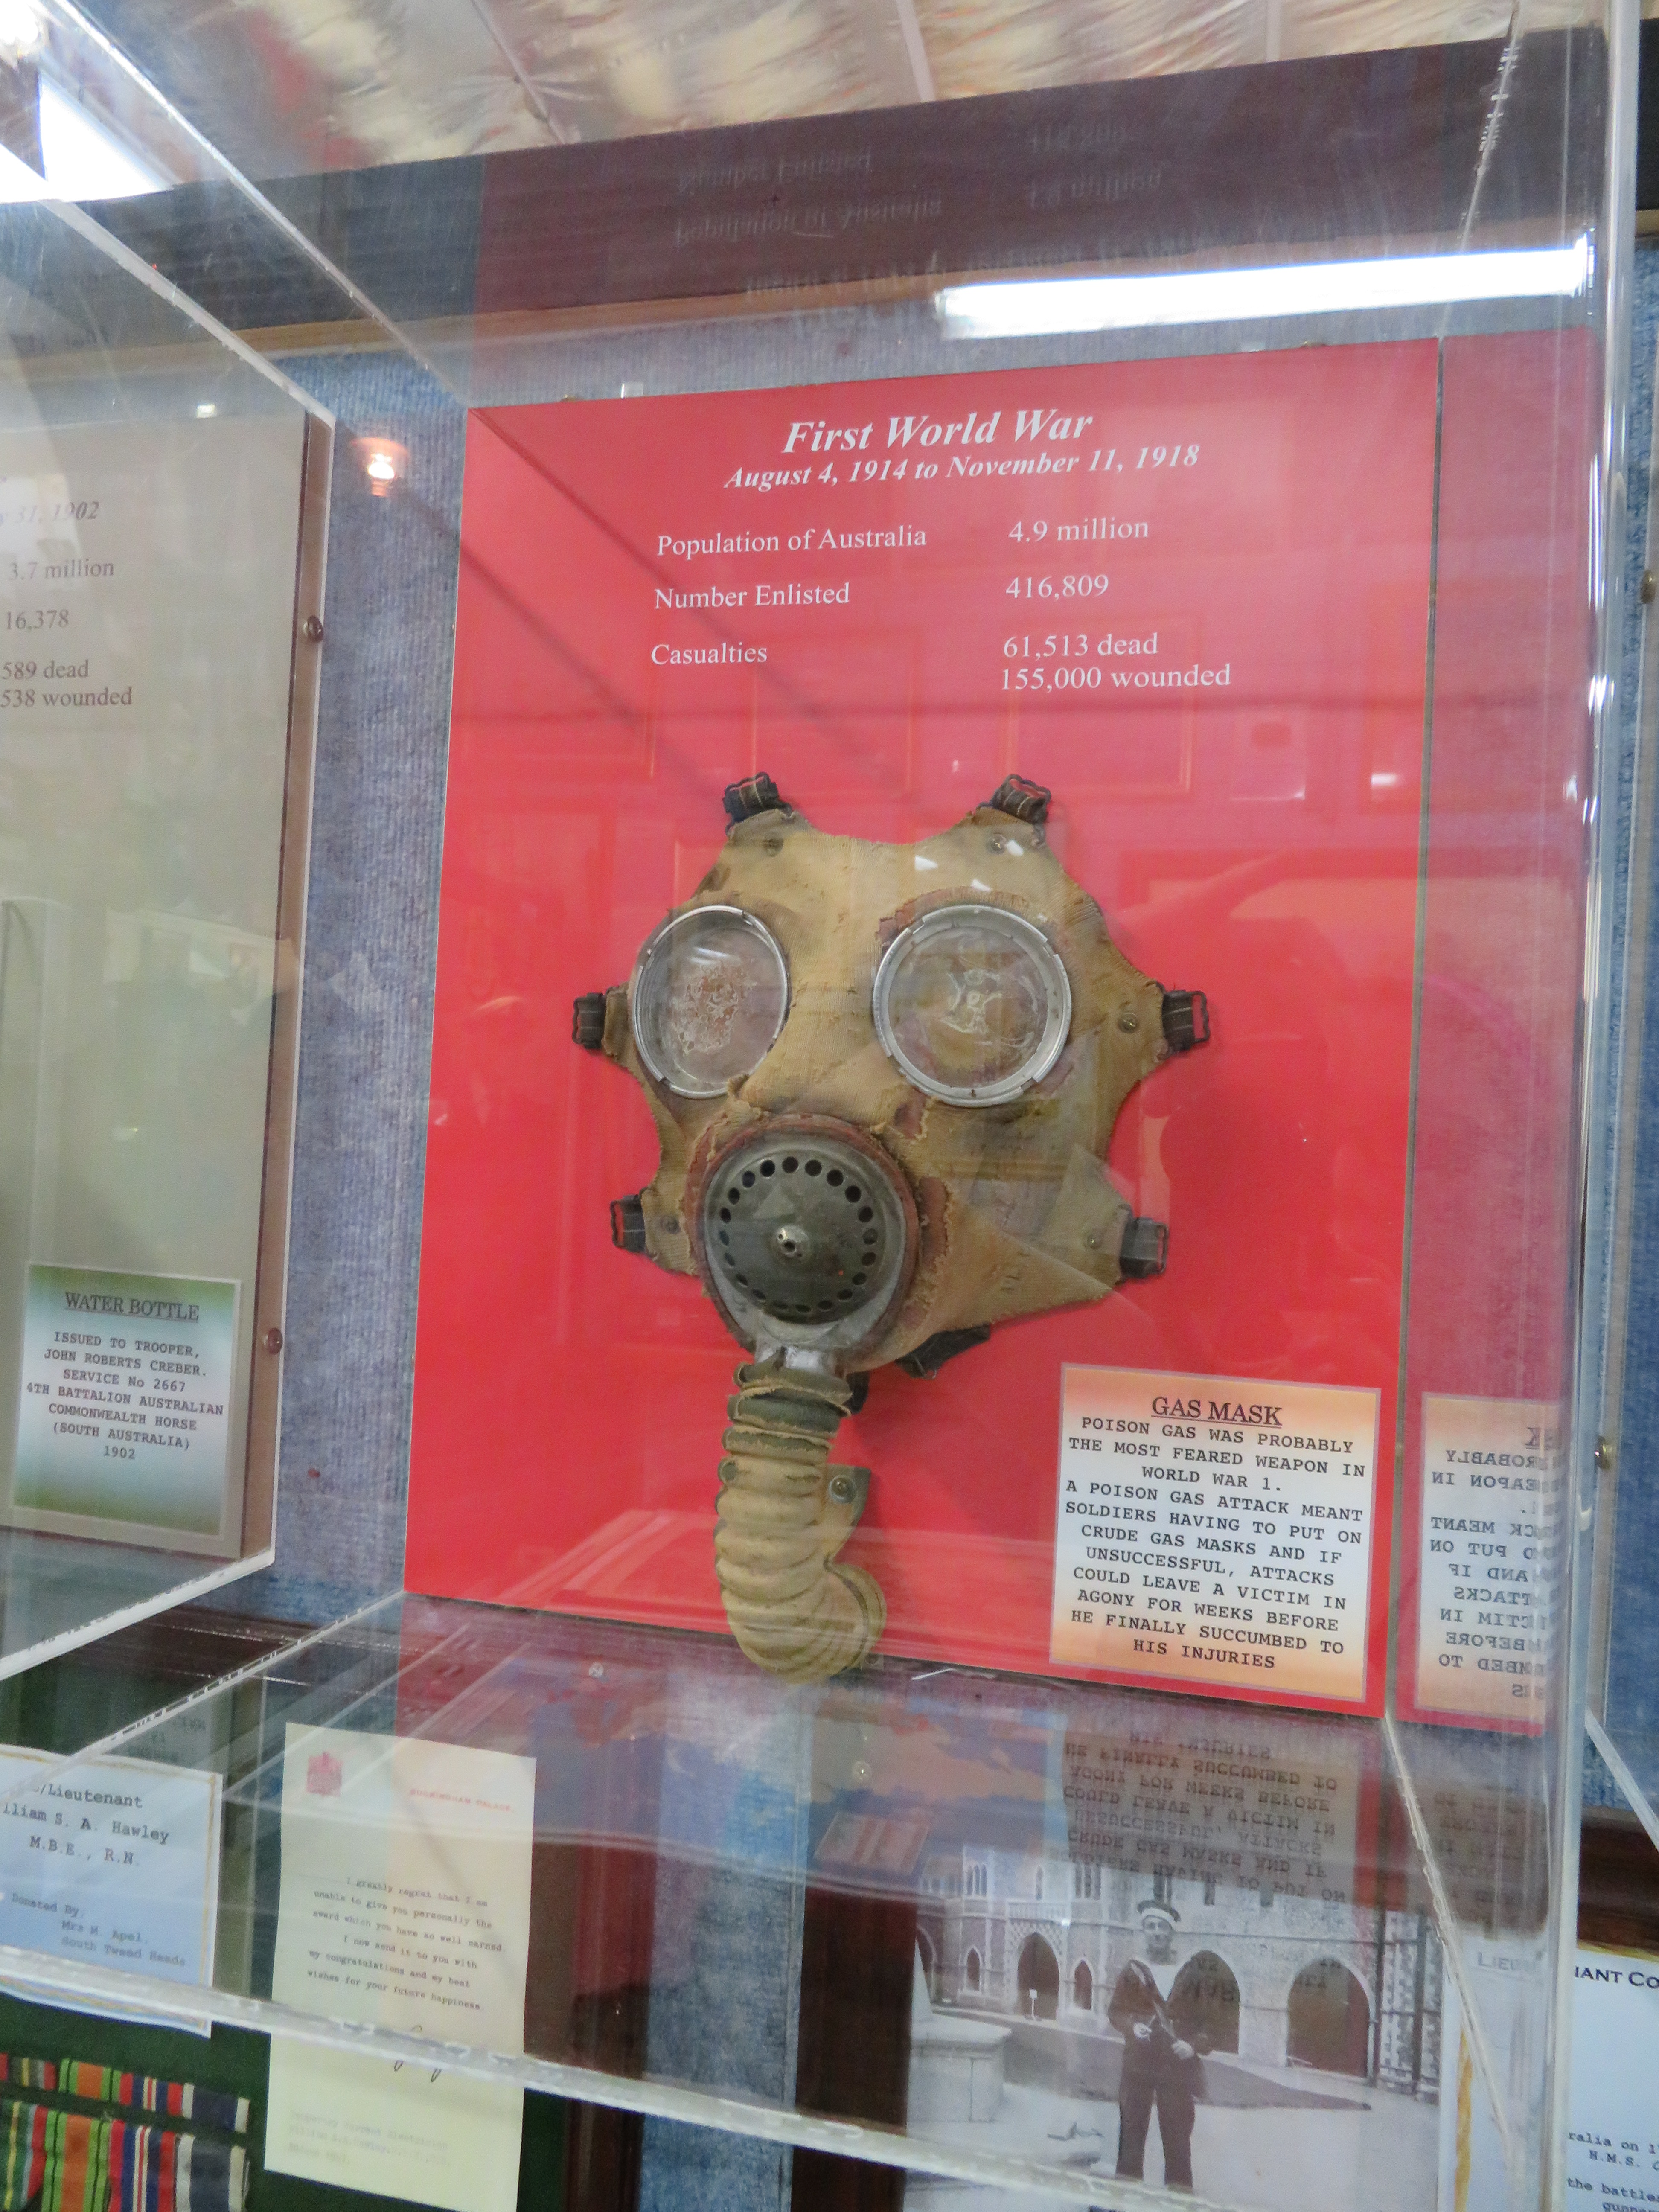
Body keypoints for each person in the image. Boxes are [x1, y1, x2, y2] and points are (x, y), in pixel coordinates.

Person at [1107, 1901, 1210, 2191]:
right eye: (1150, 1927)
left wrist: (1192, 2046)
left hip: (1176, 2069)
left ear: (1171, 1933)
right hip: (1138, 2065)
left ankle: (1178, 2199)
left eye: (1162, 1927)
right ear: (1144, 1931)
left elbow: (1210, 2026)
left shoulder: (1190, 1973)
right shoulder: (1133, 1970)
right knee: (1131, 2135)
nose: (1156, 1933)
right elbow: (1115, 2012)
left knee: (1178, 2140)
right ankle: (1125, 2198)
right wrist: (1132, 2027)